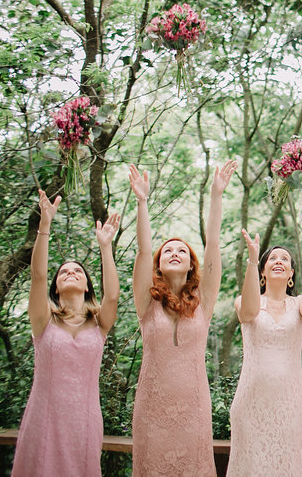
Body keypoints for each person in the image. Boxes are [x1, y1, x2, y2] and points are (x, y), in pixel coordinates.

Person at [130, 161, 236, 476]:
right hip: (151, 411)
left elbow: (213, 245)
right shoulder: (146, 302)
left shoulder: (204, 302)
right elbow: (141, 250)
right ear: (158, 266)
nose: (175, 253)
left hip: (193, 409)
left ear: (191, 265)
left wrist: (217, 194)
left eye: (182, 251)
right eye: (168, 251)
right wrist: (142, 202)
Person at [11, 190, 119, 477]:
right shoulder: (42, 321)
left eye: (77, 271)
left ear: (86, 286)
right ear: (56, 288)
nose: (70, 273)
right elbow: (37, 276)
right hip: (44, 419)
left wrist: (105, 247)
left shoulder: (100, 324)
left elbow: (112, 297)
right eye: (63, 272)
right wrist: (44, 225)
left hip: (84, 422)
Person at [226, 222, 302, 476]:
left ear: (291, 274)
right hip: (250, 405)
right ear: (262, 272)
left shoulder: (300, 306)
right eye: (272, 259)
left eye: (285, 259)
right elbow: (248, 312)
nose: (278, 260)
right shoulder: (244, 302)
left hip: (289, 405)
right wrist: (252, 259)